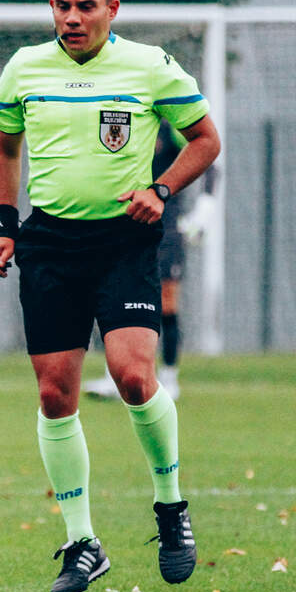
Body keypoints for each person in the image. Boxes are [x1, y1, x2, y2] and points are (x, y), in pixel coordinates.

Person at [0, 0, 220, 592]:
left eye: (85, 6)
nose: (72, 17)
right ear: (51, 6)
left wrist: (160, 190)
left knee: (133, 375)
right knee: (54, 394)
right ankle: (83, 543)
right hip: (50, 243)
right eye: (62, 5)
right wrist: (5, 226)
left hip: (123, 241)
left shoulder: (149, 66)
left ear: (111, 9)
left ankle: (170, 506)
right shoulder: (24, 68)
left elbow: (205, 140)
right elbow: (5, 148)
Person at [83, 120, 214, 401]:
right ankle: (114, 375)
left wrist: (205, 207)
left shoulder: (171, 126)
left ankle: (169, 377)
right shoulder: (122, 119)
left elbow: (208, 157)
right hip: (123, 224)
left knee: (166, 301)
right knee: (114, 298)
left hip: (165, 226)